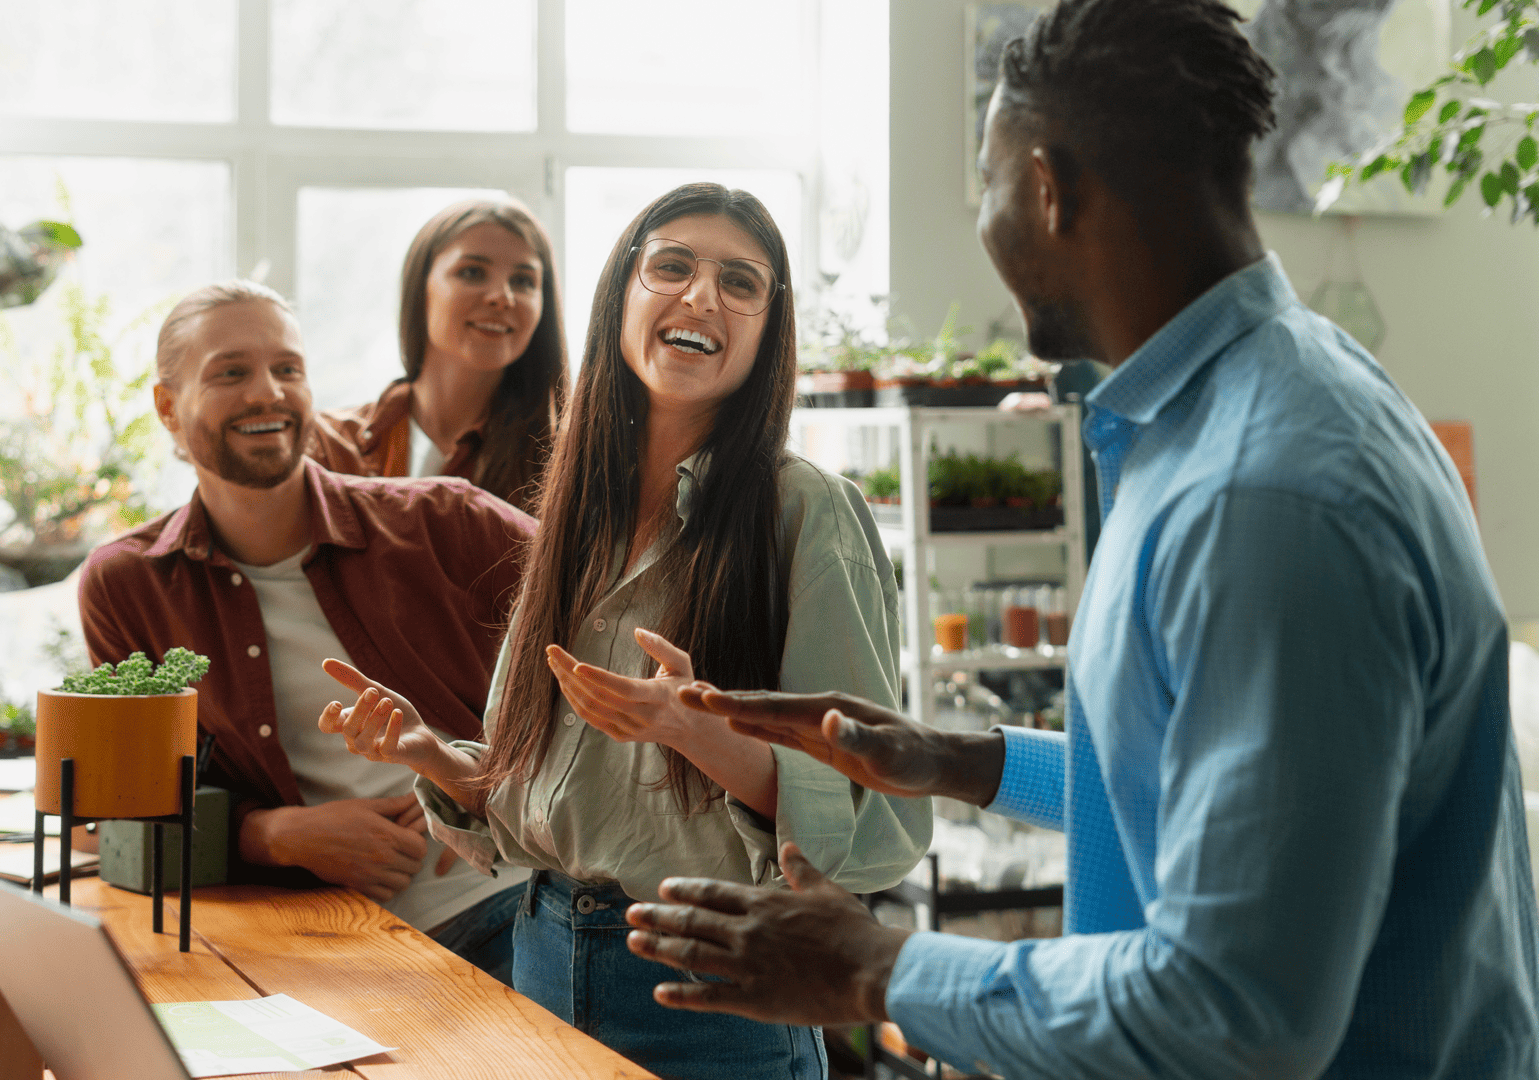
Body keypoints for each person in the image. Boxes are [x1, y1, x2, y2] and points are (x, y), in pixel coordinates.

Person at [622, 3, 1539, 1077]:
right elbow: (1217, 778)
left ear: (1048, 187)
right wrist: (958, 760)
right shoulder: (1260, 397)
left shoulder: (1263, 493)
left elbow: (1235, 1011)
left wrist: (878, 966)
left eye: (989, 178)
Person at [317, 183, 932, 1080]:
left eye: (741, 283)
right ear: (622, 298)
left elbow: (877, 822)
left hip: (712, 995)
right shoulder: (575, 511)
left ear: (768, 331)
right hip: (538, 960)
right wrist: (433, 755)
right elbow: (545, 809)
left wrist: (697, 732)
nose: (701, 297)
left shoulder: (806, 513)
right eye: (672, 267)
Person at [79, 281, 534, 982]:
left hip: (510, 904)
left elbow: (612, 644)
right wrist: (273, 836)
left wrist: (488, 780)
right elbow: (119, 814)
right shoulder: (128, 586)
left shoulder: (449, 521)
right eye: (231, 372)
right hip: (317, 935)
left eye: (287, 369)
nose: (269, 393)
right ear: (168, 406)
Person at [308, 198, 567, 510]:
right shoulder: (328, 446)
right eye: (473, 272)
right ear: (421, 288)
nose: (503, 296)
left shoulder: (571, 462)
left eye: (524, 281)